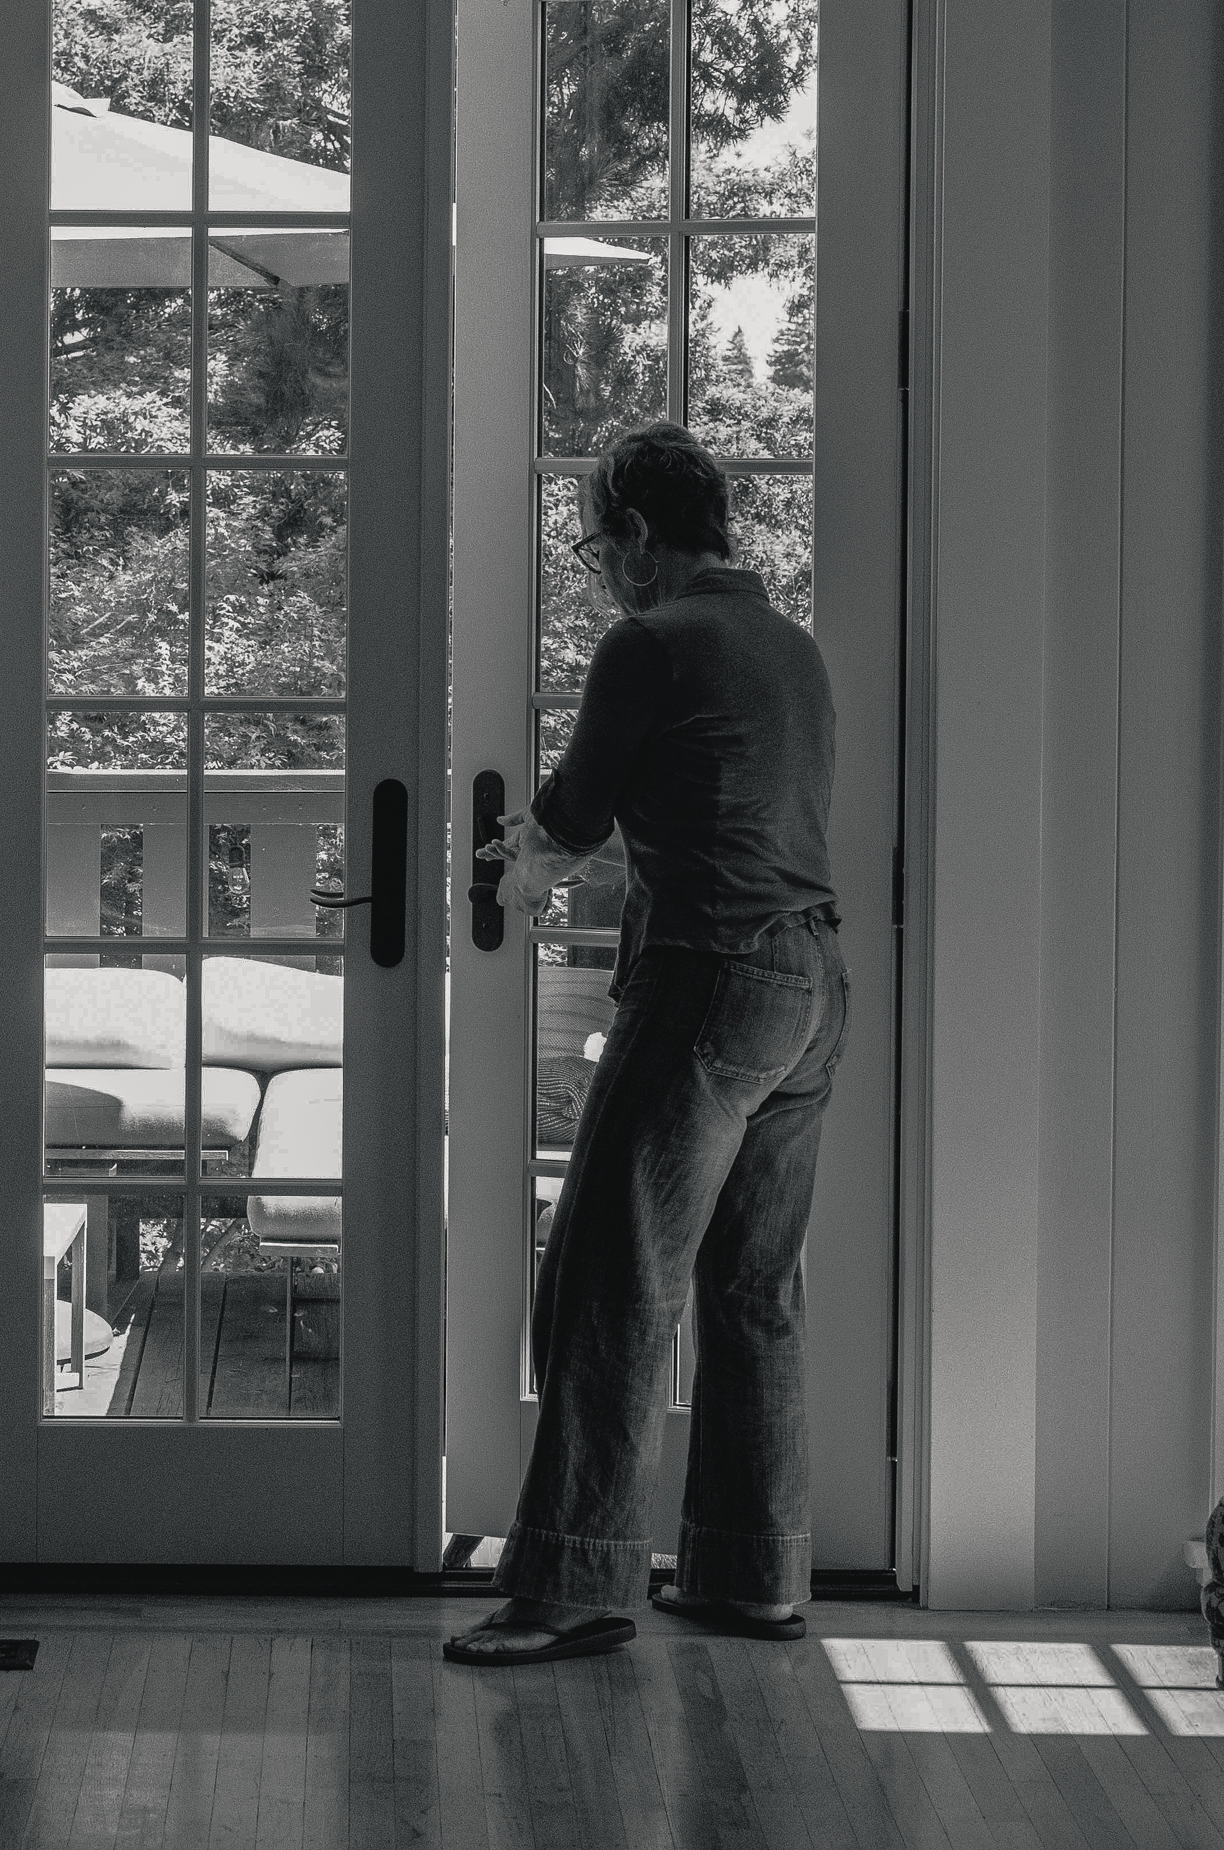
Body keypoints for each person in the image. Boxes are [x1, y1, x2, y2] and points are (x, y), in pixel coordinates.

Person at [445, 421, 850, 1667]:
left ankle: (569, 1584)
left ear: (633, 533)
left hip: (711, 979)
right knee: (749, 1288)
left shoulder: (651, 640)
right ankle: (749, 1575)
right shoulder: (792, 648)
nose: (595, 567)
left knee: (605, 1278)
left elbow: (575, 807)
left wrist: (512, 861)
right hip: (814, 984)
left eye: (592, 542)